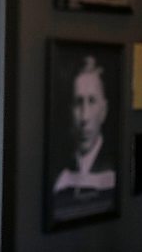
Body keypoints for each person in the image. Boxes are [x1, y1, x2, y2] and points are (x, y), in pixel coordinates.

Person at [52, 55, 115, 219]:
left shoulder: (113, 168)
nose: (84, 117)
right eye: (78, 102)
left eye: (92, 101)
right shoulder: (59, 172)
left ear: (104, 110)